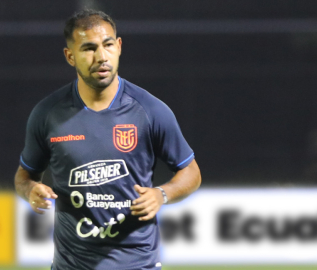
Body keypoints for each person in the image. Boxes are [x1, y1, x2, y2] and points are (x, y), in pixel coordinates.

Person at [15, 9, 201, 270]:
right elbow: (24, 177)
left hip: (138, 264)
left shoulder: (150, 111)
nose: (101, 57)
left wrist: (162, 194)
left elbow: (191, 172)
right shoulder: (48, 114)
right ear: (70, 56)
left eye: (108, 45)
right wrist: (31, 190)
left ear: (119, 46)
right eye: (88, 48)